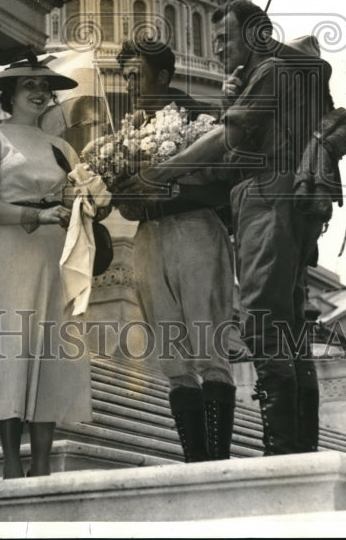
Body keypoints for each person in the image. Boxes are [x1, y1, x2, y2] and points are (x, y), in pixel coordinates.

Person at [135, 0, 346, 457]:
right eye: (213, 40)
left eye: (223, 39)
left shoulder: (271, 72)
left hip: (267, 198)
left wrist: (163, 171)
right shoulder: (273, 75)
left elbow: (228, 138)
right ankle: (296, 445)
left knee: (261, 319)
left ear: (255, 36)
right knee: (287, 324)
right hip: (279, 198)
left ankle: (282, 448)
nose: (216, 49)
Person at [0, 56, 96, 479]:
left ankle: (41, 463)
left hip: (57, 252)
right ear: (9, 94)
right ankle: (10, 461)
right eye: (28, 86)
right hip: (12, 249)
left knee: (51, 353)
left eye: (45, 86)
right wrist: (36, 217)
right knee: (11, 349)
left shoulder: (63, 147)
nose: (40, 93)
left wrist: (91, 197)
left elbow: (79, 199)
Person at [114, 40, 238, 463]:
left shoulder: (200, 118)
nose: (129, 83)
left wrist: (168, 185)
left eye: (137, 75)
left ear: (162, 77)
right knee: (170, 354)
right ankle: (194, 460)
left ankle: (217, 461)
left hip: (195, 230)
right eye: (126, 76)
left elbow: (226, 186)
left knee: (208, 347)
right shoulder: (126, 131)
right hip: (148, 236)